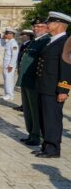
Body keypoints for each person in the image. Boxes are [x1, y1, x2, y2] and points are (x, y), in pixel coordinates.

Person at [33, 11, 71, 158]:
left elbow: (67, 68)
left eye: (49, 22)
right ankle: (46, 145)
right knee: (44, 117)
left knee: (52, 118)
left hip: (54, 88)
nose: (47, 25)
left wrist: (63, 89)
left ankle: (53, 149)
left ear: (58, 25)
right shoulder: (52, 40)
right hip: (44, 86)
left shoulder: (65, 42)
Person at [17, 19, 49, 146]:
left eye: (40, 26)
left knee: (35, 110)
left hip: (34, 81)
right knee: (28, 109)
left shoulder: (46, 41)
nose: (36, 29)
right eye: (35, 26)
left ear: (47, 28)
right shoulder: (34, 42)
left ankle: (37, 135)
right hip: (26, 80)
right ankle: (31, 133)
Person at [2, 28, 19, 101]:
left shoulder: (13, 43)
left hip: (9, 64)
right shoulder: (8, 42)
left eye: (7, 33)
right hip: (6, 63)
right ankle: (7, 93)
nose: (5, 35)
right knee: (6, 78)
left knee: (9, 79)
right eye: (6, 33)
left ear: (12, 34)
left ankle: (10, 94)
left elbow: (14, 55)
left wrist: (11, 65)